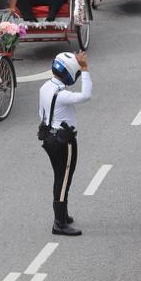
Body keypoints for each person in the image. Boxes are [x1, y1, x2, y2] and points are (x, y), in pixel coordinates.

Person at [39, 51, 91, 235]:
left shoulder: (45, 87)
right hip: (63, 141)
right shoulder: (62, 95)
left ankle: (63, 213)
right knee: (63, 180)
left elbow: (42, 114)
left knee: (60, 176)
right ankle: (59, 223)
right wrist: (85, 69)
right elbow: (86, 95)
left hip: (48, 137)